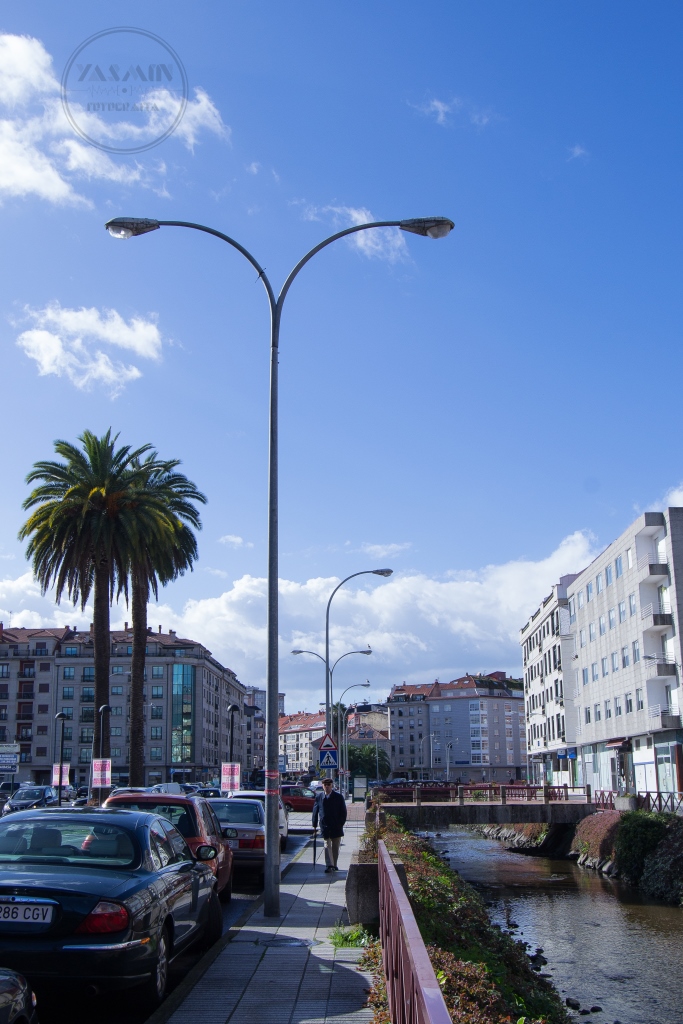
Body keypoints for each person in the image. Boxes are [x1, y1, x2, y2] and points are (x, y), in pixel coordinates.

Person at [312, 777, 347, 872]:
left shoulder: (338, 797)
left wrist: (341, 823)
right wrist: (314, 824)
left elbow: (343, 812)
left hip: (336, 825)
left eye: (329, 785)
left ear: (332, 786)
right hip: (325, 825)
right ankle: (329, 865)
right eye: (325, 785)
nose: (327, 787)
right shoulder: (319, 797)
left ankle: (334, 864)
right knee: (327, 845)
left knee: (335, 846)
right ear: (323, 786)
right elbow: (315, 811)